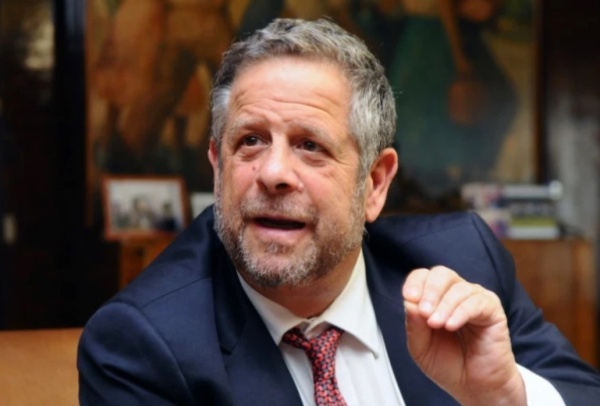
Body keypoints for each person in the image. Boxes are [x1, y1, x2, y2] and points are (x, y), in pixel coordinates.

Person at [77, 18, 600, 405]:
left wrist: (506, 396)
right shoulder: (143, 343)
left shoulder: (461, 261)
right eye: (251, 140)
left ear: (374, 184)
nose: (273, 173)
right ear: (217, 165)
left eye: (310, 146)